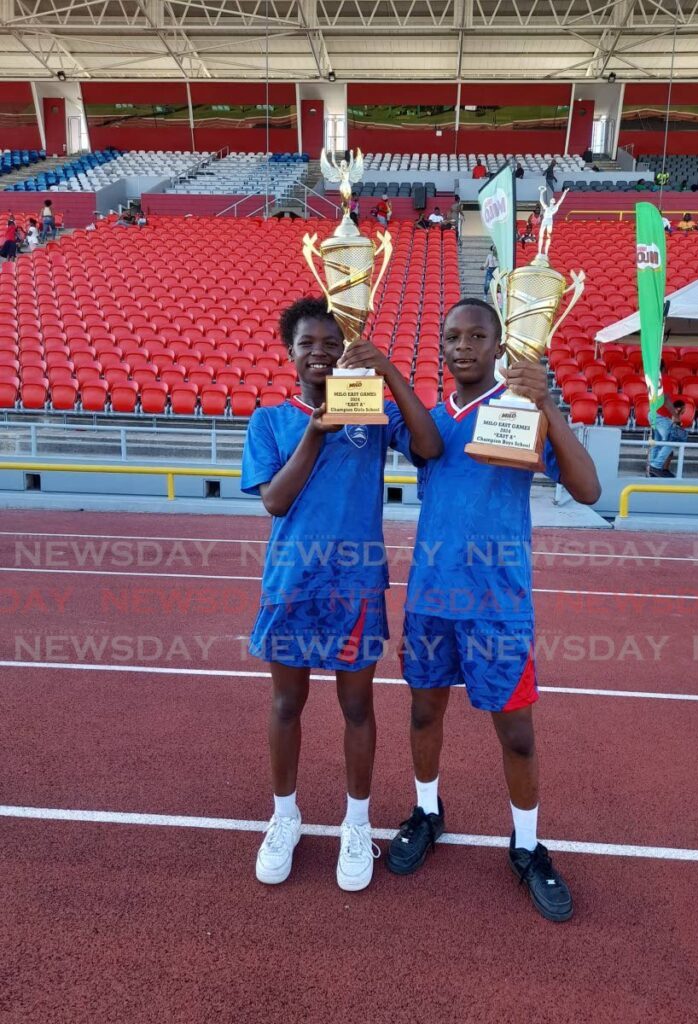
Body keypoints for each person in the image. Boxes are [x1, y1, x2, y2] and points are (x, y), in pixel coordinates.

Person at [385, 297, 601, 924]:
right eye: (451, 336)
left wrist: (549, 406)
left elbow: (589, 490)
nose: (462, 346)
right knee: (425, 712)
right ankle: (428, 810)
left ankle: (528, 845)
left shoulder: (520, 410)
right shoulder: (428, 420)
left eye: (477, 335)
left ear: (500, 343)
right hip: (431, 600)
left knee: (517, 735)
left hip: (499, 606)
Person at [241, 297, 442, 893]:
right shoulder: (271, 419)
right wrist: (316, 426)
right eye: (309, 344)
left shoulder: (372, 411)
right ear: (291, 353)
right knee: (286, 705)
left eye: (332, 344)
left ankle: (357, 823)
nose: (321, 353)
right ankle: (285, 817)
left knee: (357, 708)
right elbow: (275, 501)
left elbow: (429, 448)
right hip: (292, 583)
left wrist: (387, 372)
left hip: (355, 584)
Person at [648, 400, 687, 478]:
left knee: (657, 442)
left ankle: (652, 468)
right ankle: (656, 466)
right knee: (670, 441)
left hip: (652, 414)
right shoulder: (673, 412)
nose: (685, 410)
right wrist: (677, 420)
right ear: (679, 408)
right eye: (684, 408)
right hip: (660, 417)